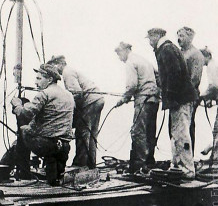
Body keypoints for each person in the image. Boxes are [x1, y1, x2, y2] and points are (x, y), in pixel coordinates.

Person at [9, 64, 74, 186]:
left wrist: (17, 105)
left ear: (49, 79)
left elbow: (26, 114)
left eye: (39, 79)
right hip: (64, 146)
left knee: (23, 130)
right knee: (53, 179)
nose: (35, 82)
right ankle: (55, 171)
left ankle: (24, 173)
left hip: (47, 145)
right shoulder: (69, 95)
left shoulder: (44, 94)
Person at [146, 28, 198, 179]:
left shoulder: (166, 49)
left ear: (157, 36)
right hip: (179, 99)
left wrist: (171, 96)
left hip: (180, 99)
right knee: (176, 133)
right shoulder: (167, 48)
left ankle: (187, 169)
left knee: (181, 134)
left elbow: (174, 73)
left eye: (150, 38)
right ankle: (177, 165)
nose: (149, 42)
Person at [47, 55, 104, 169]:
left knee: (82, 132)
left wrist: (70, 110)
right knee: (92, 134)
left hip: (90, 102)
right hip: (98, 99)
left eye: (53, 66)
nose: (53, 69)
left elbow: (77, 93)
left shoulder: (67, 73)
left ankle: (80, 163)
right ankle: (91, 163)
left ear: (60, 64)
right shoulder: (71, 71)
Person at [114, 42, 160, 173]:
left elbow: (132, 85)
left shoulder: (130, 62)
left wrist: (124, 98)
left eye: (119, 53)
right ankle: (150, 161)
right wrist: (157, 90)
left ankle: (139, 165)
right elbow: (158, 75)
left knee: (138, 132)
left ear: (126, 50)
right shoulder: (142, 59)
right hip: (154, 100)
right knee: (150, 131)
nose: (119, 57)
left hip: (143, 100)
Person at [177, 27, 204, 155]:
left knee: (187, 128)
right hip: (177, 97)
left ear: (190, 38)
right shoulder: (179, 53)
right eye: (178, 35)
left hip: (188, 97)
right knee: (175, 129)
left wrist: (184, 95)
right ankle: (178, 157)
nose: (179, 39)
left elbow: (195, 79)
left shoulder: (195, 54)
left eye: (182, 36)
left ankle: (188, 158)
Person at [199, 47, 218, 165]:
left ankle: (217, 158)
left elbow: (214, 85)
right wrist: (211, 98)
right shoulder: (217, 64)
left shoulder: (211, 66)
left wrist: (202, 97)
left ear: (206, 56)